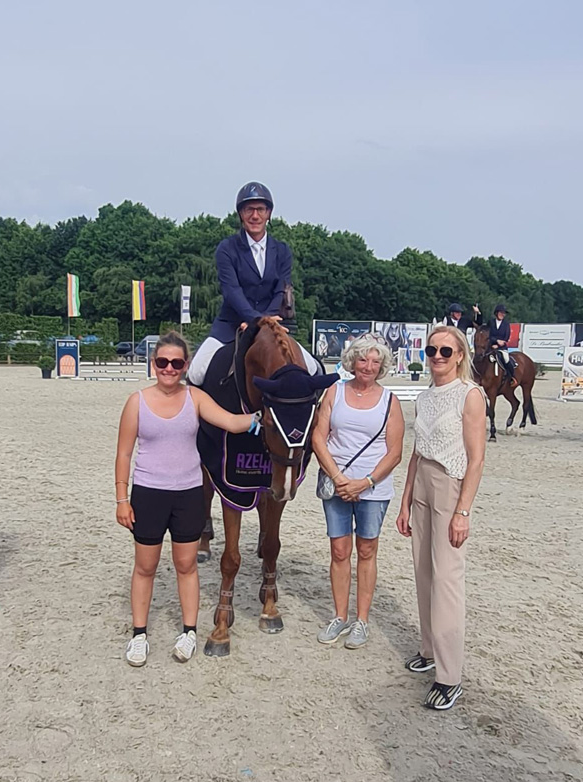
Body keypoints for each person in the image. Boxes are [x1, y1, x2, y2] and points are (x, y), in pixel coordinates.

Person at [115, 331, 259, 667]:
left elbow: (230, 421)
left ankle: (189, 632)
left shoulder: (195, 398)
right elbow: (123, 454)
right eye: (163, 362)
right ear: (153, 363)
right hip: (148, 493)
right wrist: (122, 499)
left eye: (176, 363)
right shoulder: (136, 402)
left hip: (188, 493)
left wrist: (260, 418)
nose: (169, 368)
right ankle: (139, 634)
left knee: (186, 565)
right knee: (145, 567)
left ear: (185, 365)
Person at [396, 325, 486, 711]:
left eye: (445, 351)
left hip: (451, 484)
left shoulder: (470, 395)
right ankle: (429, 649)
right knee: (423, 572)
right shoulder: (424, 396)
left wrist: (463, 511)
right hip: (422, 483)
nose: (437, 356)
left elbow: (476, 459)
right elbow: (416, 451)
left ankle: (450, 677)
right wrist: (405, 502)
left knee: (447, 578)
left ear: (460, 355)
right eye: (431, 350)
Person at [311, 334, 405, 649]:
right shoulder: (334, 391)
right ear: (353, 361)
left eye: (375, 361)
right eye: (363, 359)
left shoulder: (390, 401)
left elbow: (394, 452)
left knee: (366, 551)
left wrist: (364, 482)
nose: (368, 366)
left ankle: (361, 619)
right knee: (339, 551)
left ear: (382, 366)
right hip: (336, 482)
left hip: (373, 488)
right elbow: (318, 437)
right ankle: (340, 615)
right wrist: (339, 478)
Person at [187, 182, 320, 386]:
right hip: (231, 325)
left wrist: (264, 322)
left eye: (260, 209)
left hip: (273, 324)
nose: (255, 216)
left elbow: (281, 289)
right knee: (196, 372)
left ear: (268, 213)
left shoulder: (282, 250)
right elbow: (231, 290)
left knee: (313, 369)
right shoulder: (227, 248)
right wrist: (254, 320)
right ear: (241, 213)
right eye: (249, 209)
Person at [481, 302, 516, 380]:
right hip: (490, 346)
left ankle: (511, 377)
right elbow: (488, 335)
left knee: (506, 360)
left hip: (501, 348)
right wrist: (496, 341)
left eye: (504, 313)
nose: (502, 314)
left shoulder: (506, 324)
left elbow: (506, 337)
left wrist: (498, 344)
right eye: (501, 312)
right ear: (496, 313)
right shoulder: (491, 322)